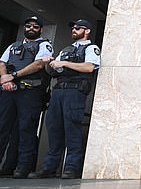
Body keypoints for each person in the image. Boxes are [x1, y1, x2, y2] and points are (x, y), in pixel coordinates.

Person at [29, 19, 100, 179]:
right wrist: (50, 63)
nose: (74, 30)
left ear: (87, 31)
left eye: (78, 28)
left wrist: (64, 63)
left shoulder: (91, 48)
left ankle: (71, 168)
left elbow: (89, 67)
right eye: (73, 28)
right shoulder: (67, 49)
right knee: (54, 129)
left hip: (75, 93)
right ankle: (49, 167)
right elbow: (54, 70)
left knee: (72, 129)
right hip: (59, 90)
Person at [0, 16, 53, 178]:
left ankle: (22, 167)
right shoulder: (13, 45)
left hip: (30, 92)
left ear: (41, 30)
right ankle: (6, 166)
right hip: (9, 91)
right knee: (2, 128)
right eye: (28, 25)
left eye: (35, 26)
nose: (31, 28)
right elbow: (2, 63)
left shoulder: (44, 45)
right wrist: (4, 79)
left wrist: (13, 75)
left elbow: (38, 64)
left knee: (26, 130)